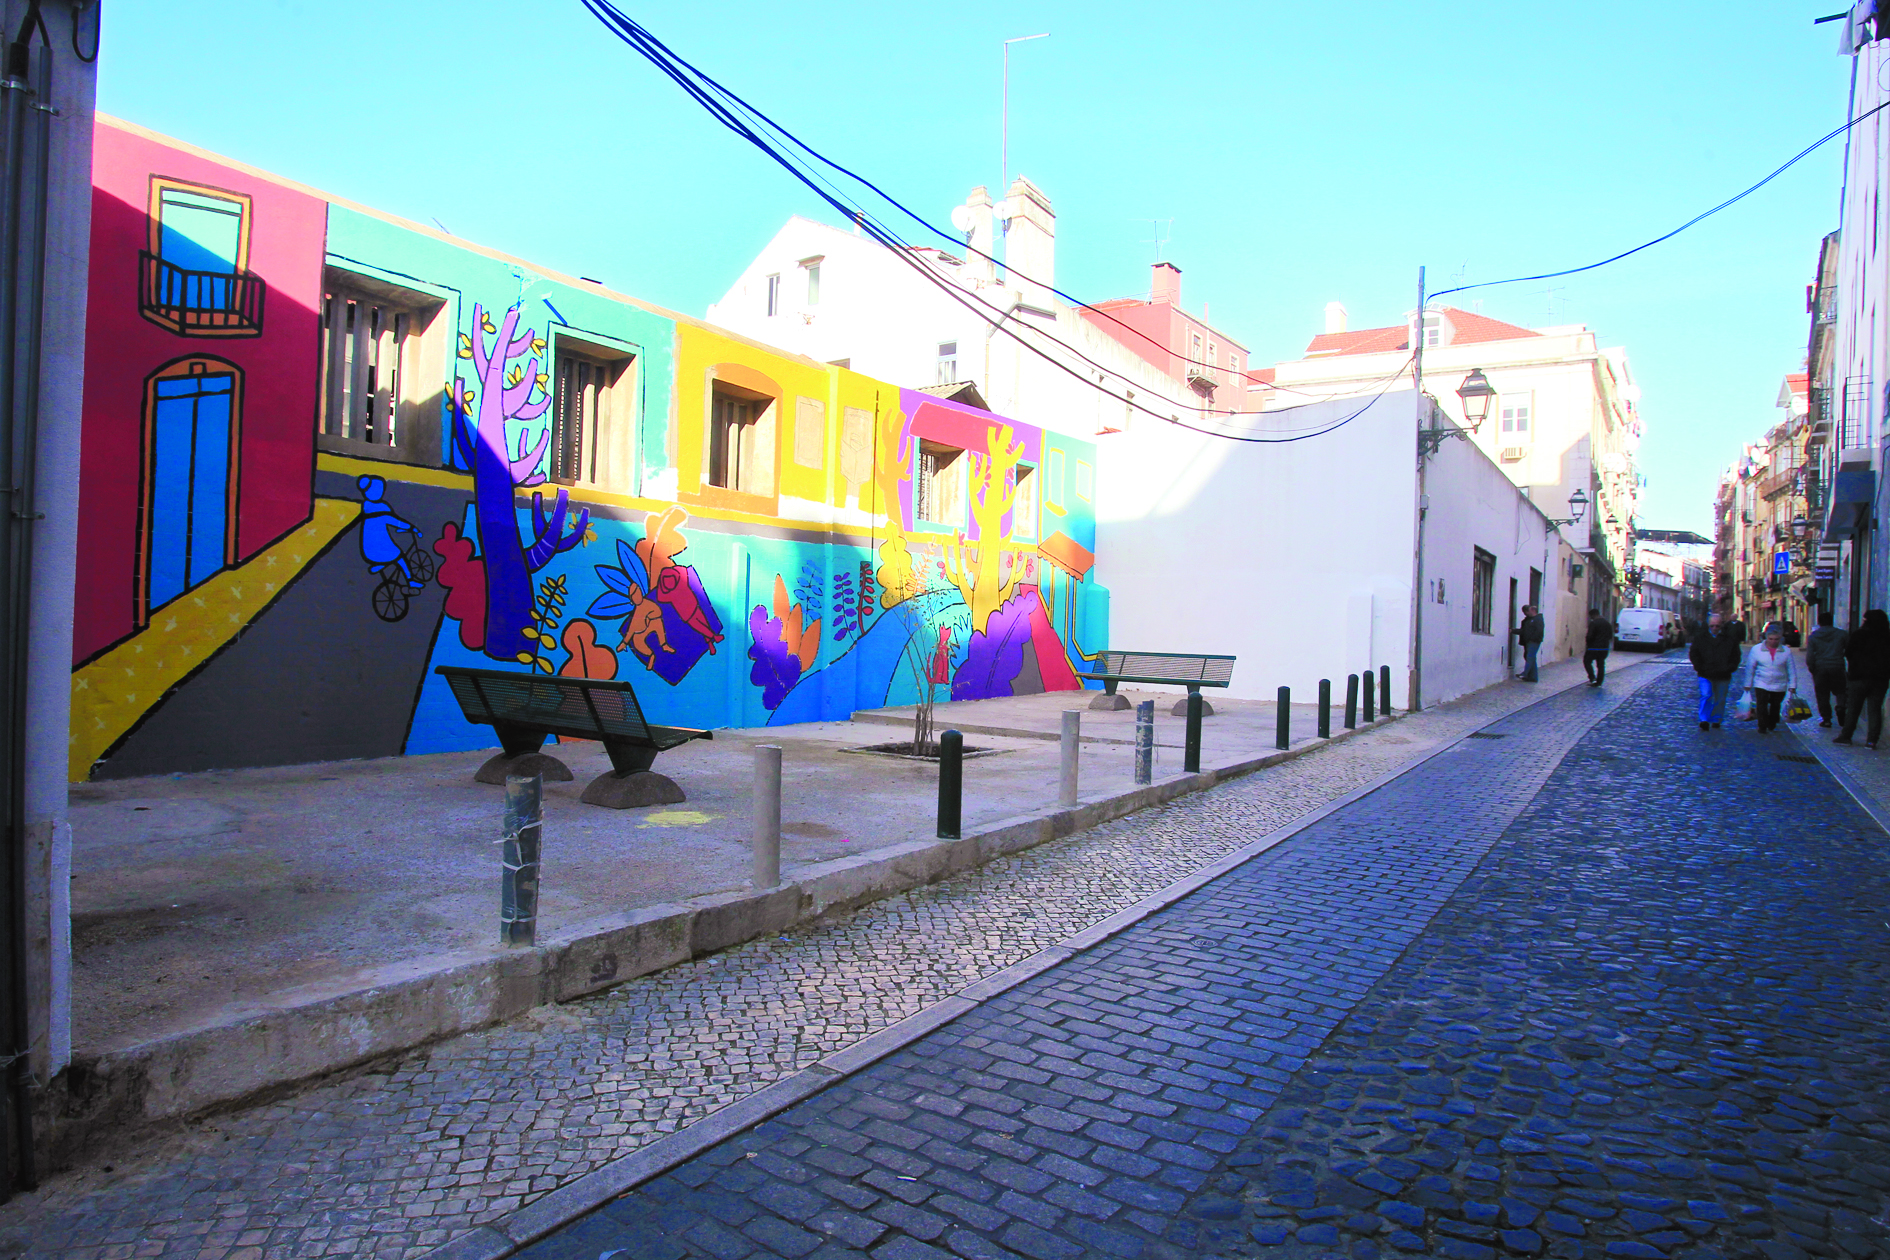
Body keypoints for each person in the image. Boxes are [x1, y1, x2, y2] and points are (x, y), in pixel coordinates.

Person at [1836, 608, 1890, 748]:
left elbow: (1848, 653)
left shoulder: (1859, 634)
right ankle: (1872, 741)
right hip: (1880, 679)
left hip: (1858, 677)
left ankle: (1846, 736)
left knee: (1853, 708)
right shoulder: (1887, 636)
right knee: (1875, 709)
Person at [1688, 611, 1742, 730]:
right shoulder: (1701, 638)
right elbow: (1694, 653)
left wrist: (1730, 667)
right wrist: (1699, 667)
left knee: (1720, 698)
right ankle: (1704, 719)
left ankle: (1717, 718)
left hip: (1723, 674)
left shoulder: (1729, 639)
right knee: (1706, 694)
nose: (1715, 628)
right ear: (1708, 625)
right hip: (1705, 673)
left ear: (1721, 625)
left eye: (1717, 626)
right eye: (1712, 626)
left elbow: (1736, 655)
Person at [1742, 623, 1799, 734]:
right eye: (1771, 639)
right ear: (1766, 638)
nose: (1773, 641)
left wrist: (1793, 685)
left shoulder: (1786, 651)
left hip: (1779, 684)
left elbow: (1791, 669)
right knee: (1761, 704)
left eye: (1776, 639)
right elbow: (1750, 667)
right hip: (1761, 682)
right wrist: (1748, 683)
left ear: (1780, 639)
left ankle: (1772, 723)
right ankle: (1762, 726)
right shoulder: (1756, 650)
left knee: (1775, 706)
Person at [1804, 611, 1849, 728]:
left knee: (1822, 694)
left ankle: (1826, 719)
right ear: (1831, 621)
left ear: (1819, 622)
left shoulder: (1813, 636)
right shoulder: (1842, 634)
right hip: (1837, 666)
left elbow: (1810, 656)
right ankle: (1841, 706)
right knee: (1841, 691)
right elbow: (1849, 650)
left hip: (1820, 668)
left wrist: (1812, 668)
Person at [1583, 609, 1613, 687]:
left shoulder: (1593, 623)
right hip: (1604, 648)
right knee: (1601, 665)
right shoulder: (1607, 623)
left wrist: (1588, 644)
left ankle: (1592, 677)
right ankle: (1599, 682)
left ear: (1593, 615)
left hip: (1593, 647)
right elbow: (1610, 636)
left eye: (1591, 616)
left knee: (1587, 661)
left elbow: (1589, 636)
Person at [1517, 603, 1545, 682]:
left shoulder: (1537, 620)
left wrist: (1531, 638)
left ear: (1532, 610)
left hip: (1533, 641)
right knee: (1531, 658)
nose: (1526, 613)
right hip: (1529, 641)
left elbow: (1538, 631)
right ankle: (1533, 677)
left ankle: (1525, 673)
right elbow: (1525, 631)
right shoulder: (1528, 620)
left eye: (1527, 611)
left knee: (1530, 657)